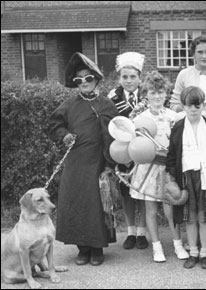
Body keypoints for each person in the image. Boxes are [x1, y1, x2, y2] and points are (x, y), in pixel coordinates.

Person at [49, 52, 119, 266]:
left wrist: (111, 164)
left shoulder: (107, 105)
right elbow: (55, 124)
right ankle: (83, 248)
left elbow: (117, 135)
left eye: (88, 78)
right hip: (75, 163)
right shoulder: (69, 105)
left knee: (96, 204)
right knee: (76, 202)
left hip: (98, 161)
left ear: (96, 79)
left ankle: (97, 249)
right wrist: (65, 135)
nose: (84, 83)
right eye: (79, 80)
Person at [128, 71, 189, 263]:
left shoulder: (175, 117)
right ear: (146, 94)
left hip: (168, 169)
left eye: (160, 92)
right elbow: (135, 145)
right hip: (148, 168)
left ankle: (178, 244)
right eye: (152, 92)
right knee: (151, 210)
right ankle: (156, 246)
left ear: (166, 93)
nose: (156, 96)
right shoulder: (139, 120)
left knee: (171, 209)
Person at [166, 86, 206, 270]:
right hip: (185, 177)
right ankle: (193, 252)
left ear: (203, 105)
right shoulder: (177, 128)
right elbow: (171, 156)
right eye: (189, 105)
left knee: (204, 216)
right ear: (183, 106)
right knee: (190, 217)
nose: (193, 109)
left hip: (205, 176)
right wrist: (171, 179)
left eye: (197, 105)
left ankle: (205, 253)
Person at [108, 52, 149, 251]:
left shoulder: (148, 95)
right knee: (127, 193)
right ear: (119, 78)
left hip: (144, 150)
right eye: (125, 77)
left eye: (133, 76)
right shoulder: (112, 98)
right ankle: (131, 231)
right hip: (122, 151)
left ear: (140, 77)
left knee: (142, 191)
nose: (129, 81)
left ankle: (142, 232)